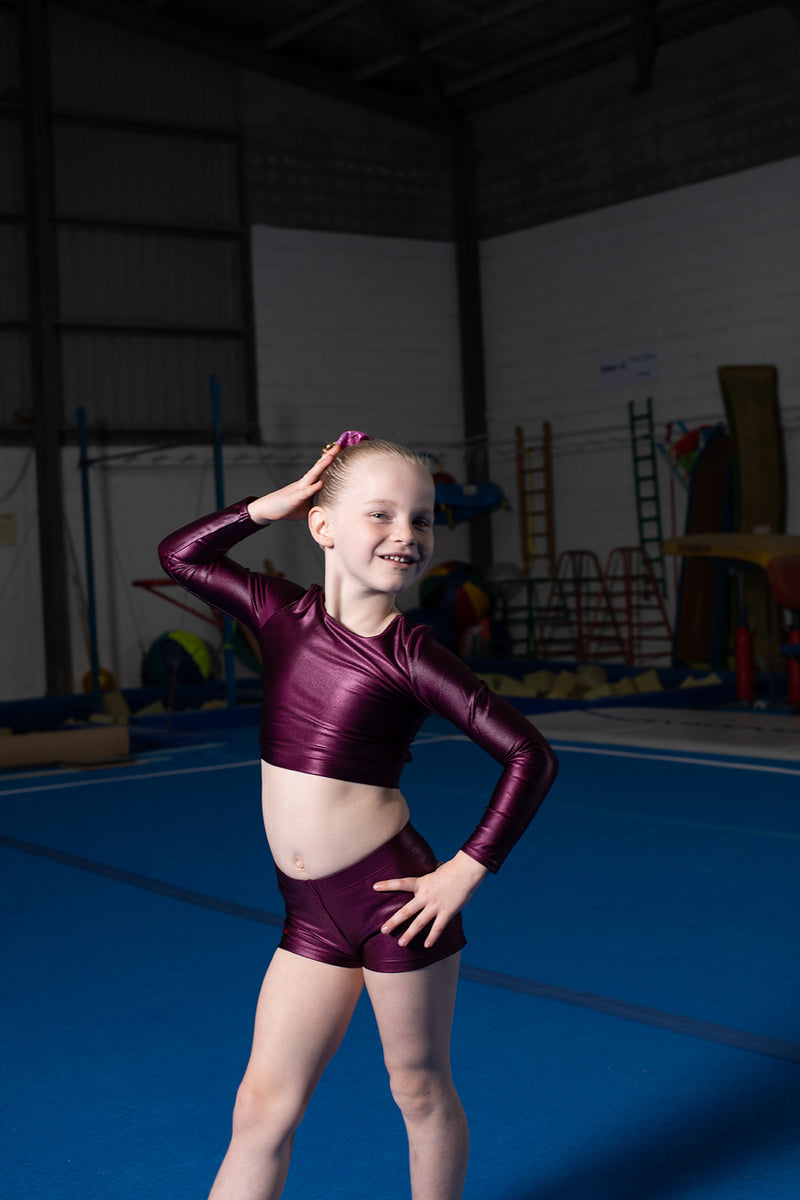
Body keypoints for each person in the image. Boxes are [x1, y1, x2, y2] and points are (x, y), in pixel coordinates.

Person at [158, 431, 558, 1200]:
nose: (406, 534)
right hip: (308, 913)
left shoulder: (413, 655)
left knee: (418, 1088)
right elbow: (183, 557)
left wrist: (464, 871)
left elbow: (529, 756)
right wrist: (267, 505)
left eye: (422, 518)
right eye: (381, 514)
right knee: (260, 1108)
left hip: (393, 902)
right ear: (322, 524)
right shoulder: (279, 614)